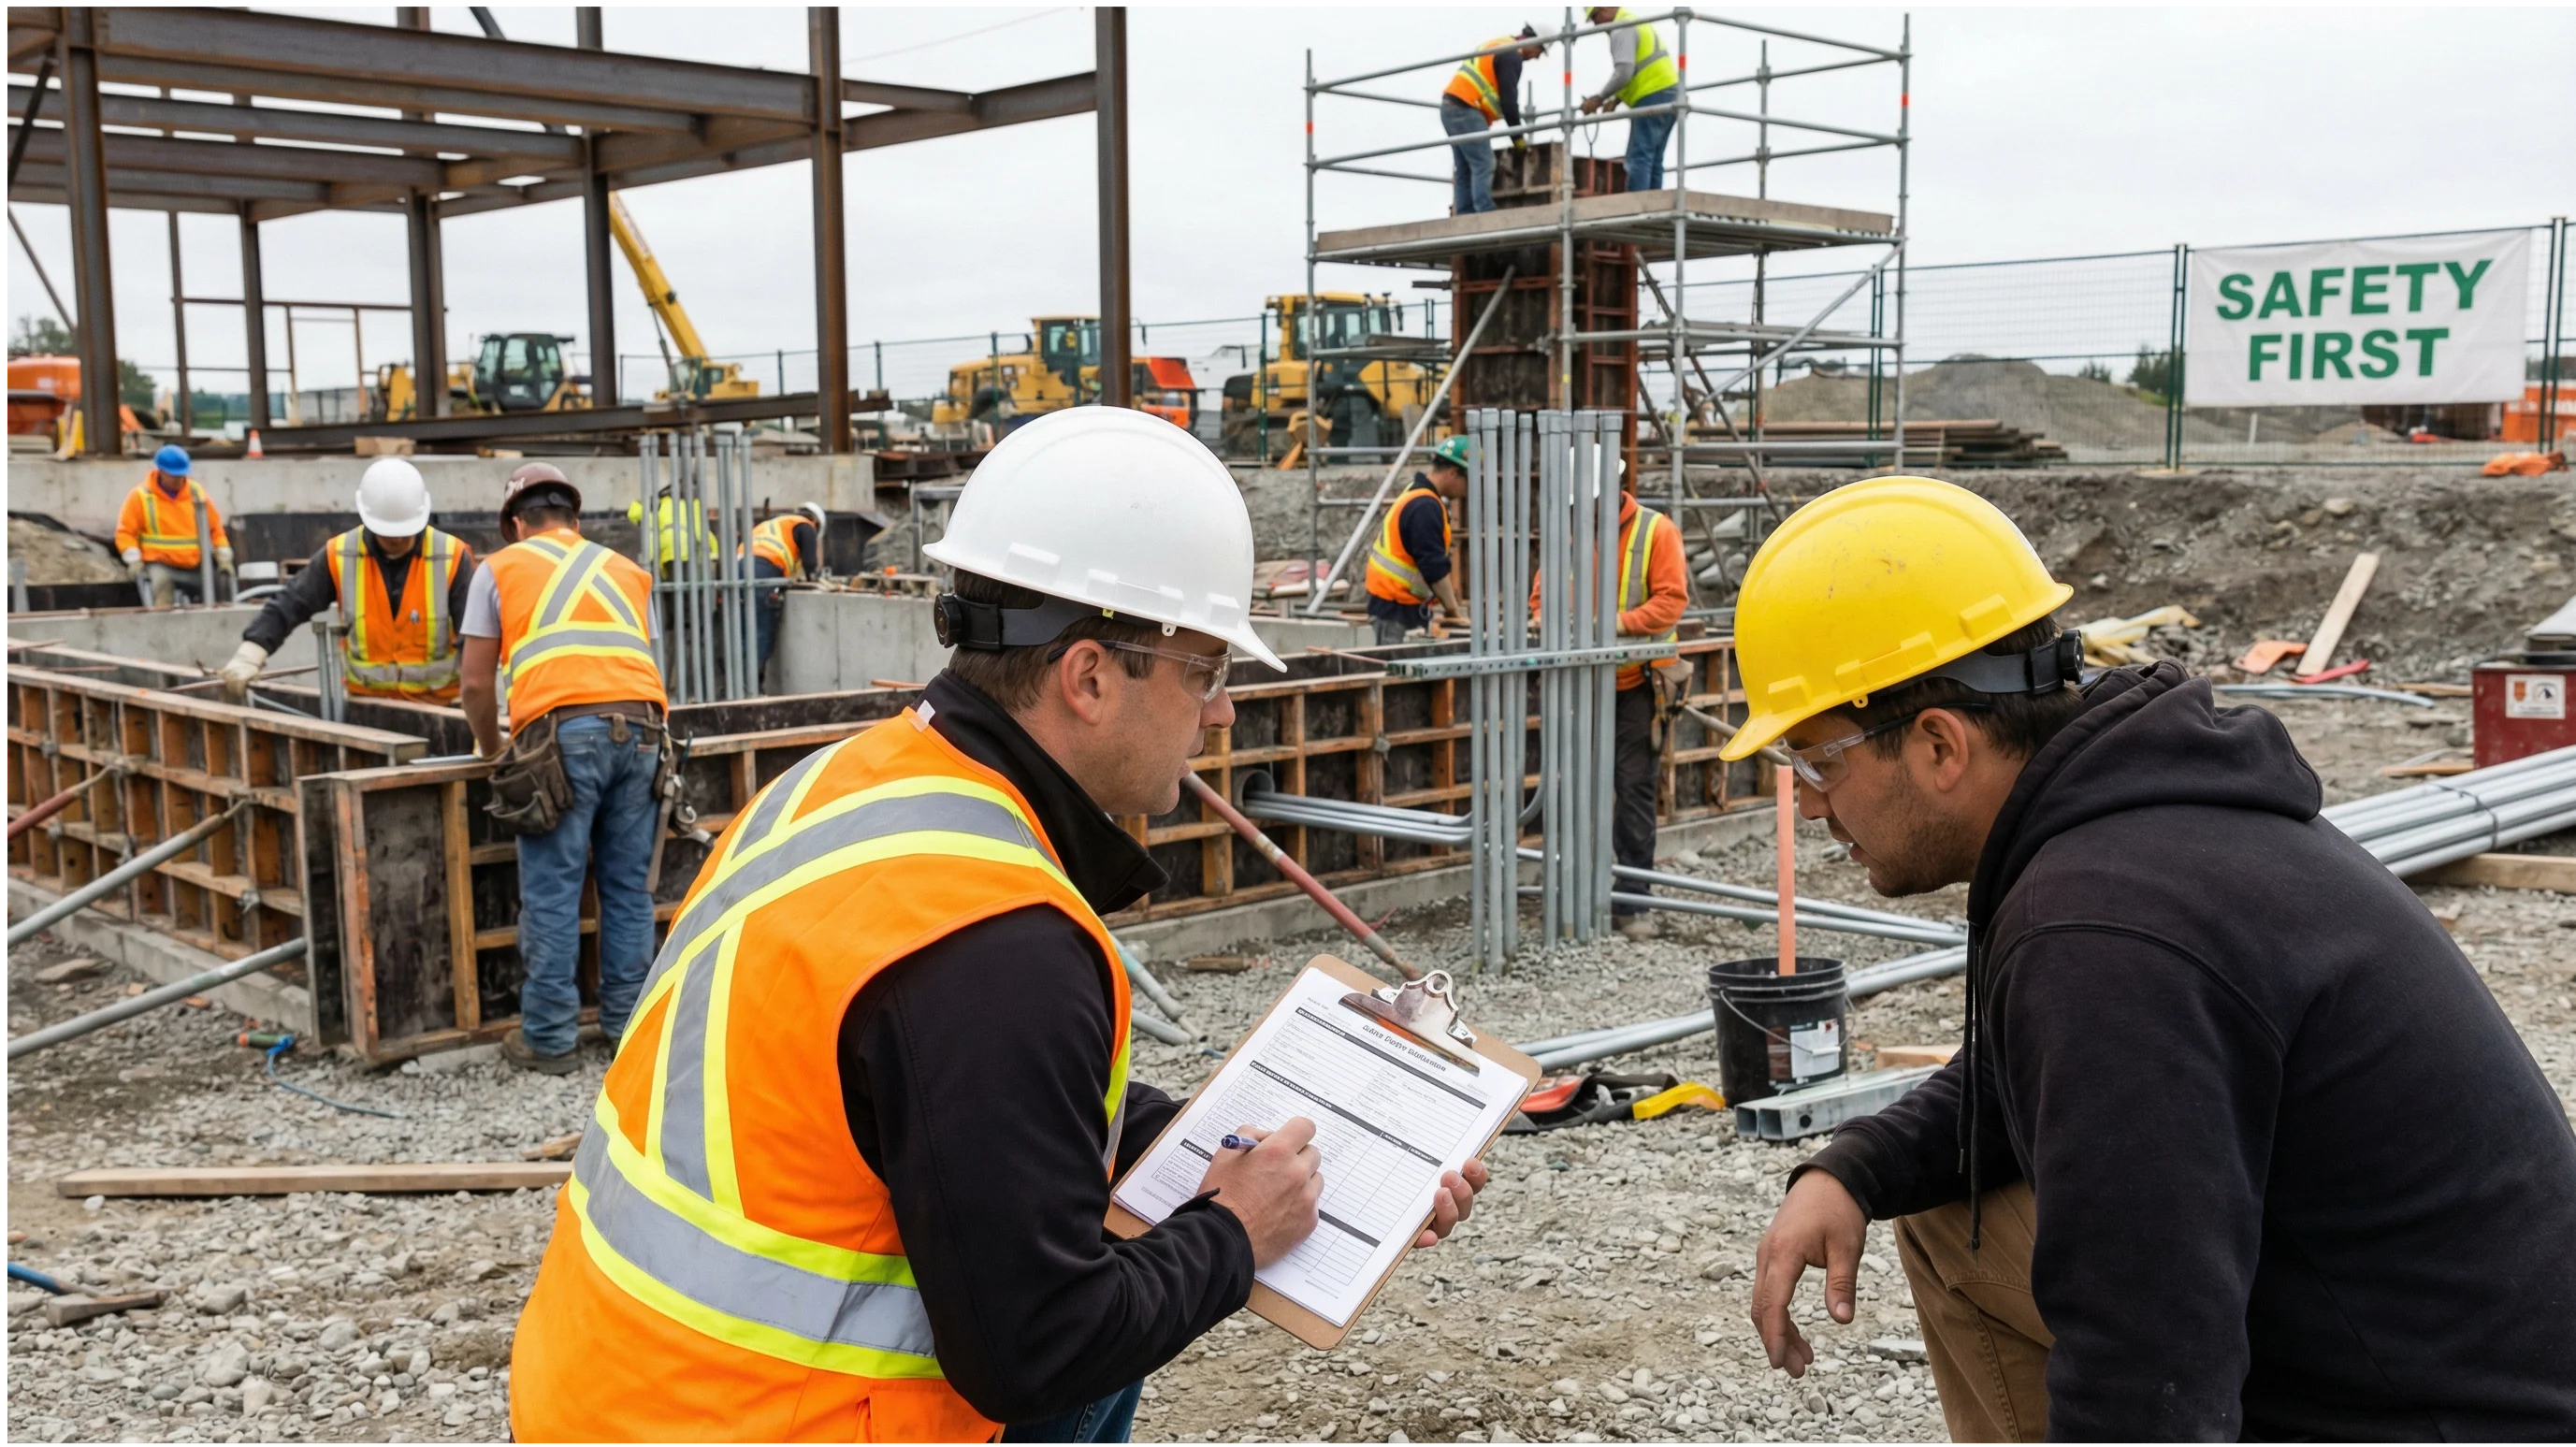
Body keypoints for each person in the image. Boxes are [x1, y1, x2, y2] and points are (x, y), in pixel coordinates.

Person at [508, 407, 1488, 1443]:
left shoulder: (844, 785)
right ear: (1091, 676)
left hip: (609, 1395)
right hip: (755, 1425)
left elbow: (988, 1105)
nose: (1222, 713)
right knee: (1109, 1324)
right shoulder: (996, 946)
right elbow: (1036, 1349)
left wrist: (1313, 1159)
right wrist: (1236, 1228)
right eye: (1206, 669)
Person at [1727, 476, 2576, 1441]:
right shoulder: (2139, 829)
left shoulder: (2101, 928)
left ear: (1938, 744)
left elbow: (2148, 1353)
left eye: (1815, 761)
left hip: (2433, 1419)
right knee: (1945, 1205)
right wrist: (1852, 1168)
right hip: (2419, 1347)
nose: (1806, 804)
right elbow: (2022, 1077)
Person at [459, 462, 667, 1077]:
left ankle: (549, 1036)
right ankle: (627, 1025)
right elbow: (649, 663)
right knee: (629, 889)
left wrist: (493, 745)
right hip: (645, 731)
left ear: (516, 523)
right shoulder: (629, 572)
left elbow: (474, 682)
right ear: (575, 519)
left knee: (553, 888)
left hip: (560, 736)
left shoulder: (497, 568)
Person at [1525, 459, 1689, 939]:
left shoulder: (1655, 532)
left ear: (1615, 488)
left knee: (1633, 788)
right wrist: (1544, 620)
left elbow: (1671, 600)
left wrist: (1614, 624)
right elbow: (1541, 597)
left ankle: (1633, 902)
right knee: (1571, 788)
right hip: (1579, 684)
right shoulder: (1569, 533)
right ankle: (1572, 893)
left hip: (1637, 683)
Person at [218, 457, 475, 704]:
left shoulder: (451, 557)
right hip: (367, 710)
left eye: (405, 531)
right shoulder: (340, 555)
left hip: (439, 708)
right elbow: (292, 603)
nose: (397, 539)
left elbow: (474, 633)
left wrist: (475, 697)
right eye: (388, 533)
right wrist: (251, 652)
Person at [1364, 435, 1471, 646]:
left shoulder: (1417, 495)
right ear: (1453, 473)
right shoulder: (1425, 506)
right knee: (1398, 673)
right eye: (1468, 481)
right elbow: (1433, 567)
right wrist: (1453, 611)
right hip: (1395, 608)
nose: (1468, 490)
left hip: (1397, 604)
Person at [1440, 26, 1545, 215]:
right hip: (1466, 108)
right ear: (1533, 42)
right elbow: (1509, 103)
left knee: (1465, 167)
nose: (1537, 57)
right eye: (1540, 51)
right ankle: (1485, 212)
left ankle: (1465, 215)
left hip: (1451, 107)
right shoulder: (1511, 55)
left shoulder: (1499, 44)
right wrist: (1518, 139)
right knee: (1484, 163)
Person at [1578, 5, 1681, 193]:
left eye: (1595, 17)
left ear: (1605, 8)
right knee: (1654, 157)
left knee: (1639, 156)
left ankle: (1638, 206)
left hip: (1652, 94)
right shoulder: (1633, 21)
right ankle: (1653, 205)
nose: (1596, 24)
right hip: (1671, 92)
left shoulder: (1622, 28)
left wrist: (1599, 99)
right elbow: (1638, 67)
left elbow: (1624, 71)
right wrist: (1616, 100)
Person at [115, 443, 232, 608]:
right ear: (161, 471)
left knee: (220, 584)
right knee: (161, 586)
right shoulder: (141, 497)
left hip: (195, 565)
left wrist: (223, 557)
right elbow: (126, 533)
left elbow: (215, 529)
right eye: (174, 475)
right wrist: (134, 561)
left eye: (182, 475)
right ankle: (163, 629)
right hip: (160, 564)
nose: (179, 480)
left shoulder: (196, 493)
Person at [743, 501, 827, 681]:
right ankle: (753, 688)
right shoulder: (806, 525)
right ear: (816, 523)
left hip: (738, 569)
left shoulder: (774, 525)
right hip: (763, 569)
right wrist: (814, 577)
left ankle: (734, 687)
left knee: (742, 627)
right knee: (762, 628)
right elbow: (810, 565)